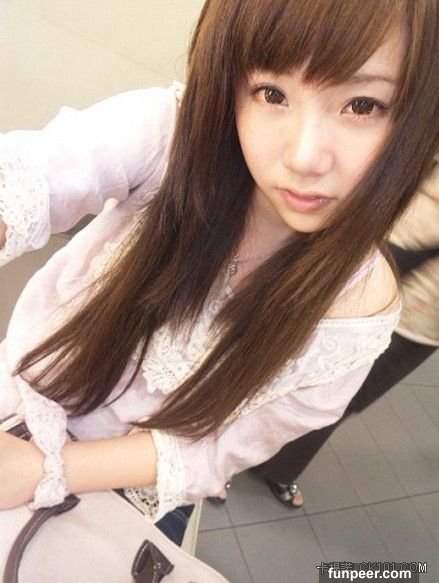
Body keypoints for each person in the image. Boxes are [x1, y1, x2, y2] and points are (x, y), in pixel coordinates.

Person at [0, 0, 438, 548]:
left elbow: (210, 451)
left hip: (125, 489)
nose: (304, 157)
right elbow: (30, 179)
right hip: (19, 393)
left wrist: (46, 468)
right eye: (272, 94)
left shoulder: (357, 312)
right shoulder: (169, 137)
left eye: (362, 104)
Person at [210, 156, 439, 507]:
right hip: (391, 251)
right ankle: (216, 455)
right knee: (281, 361)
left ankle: (279, 466)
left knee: (345, 399)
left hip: (427, 319)